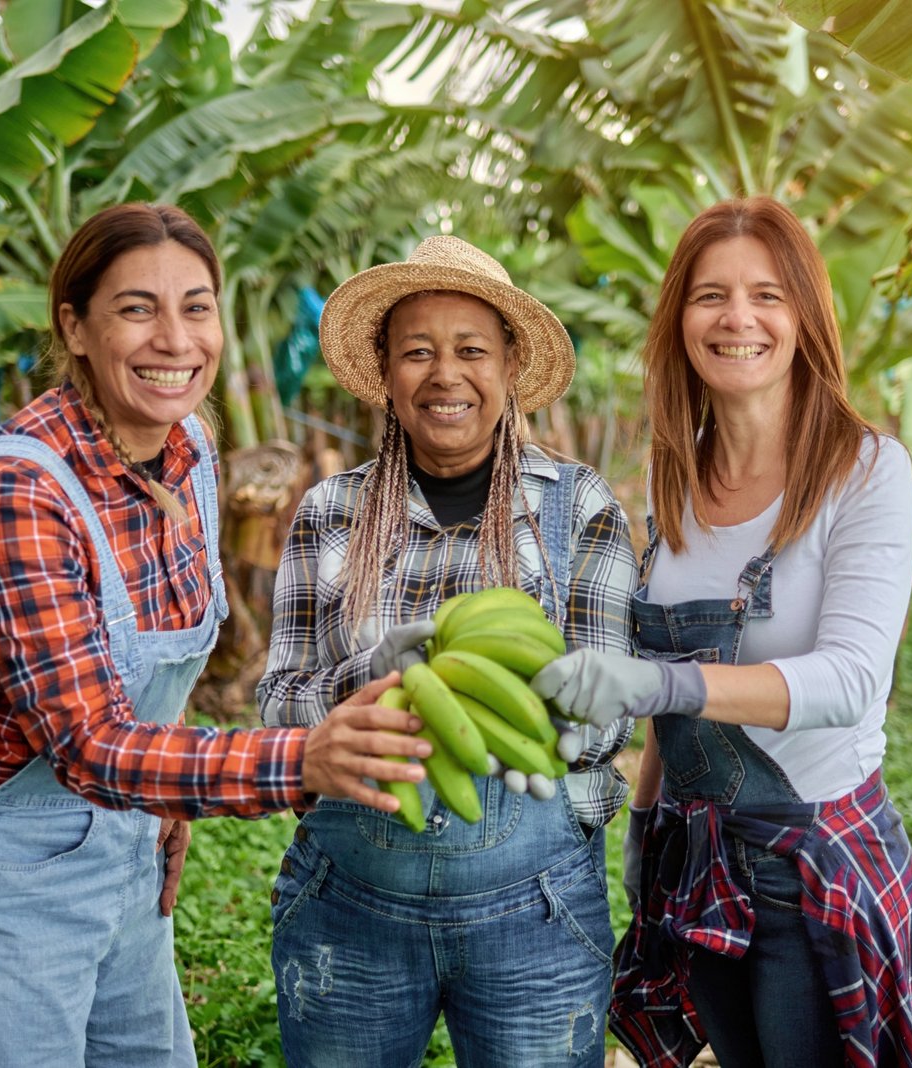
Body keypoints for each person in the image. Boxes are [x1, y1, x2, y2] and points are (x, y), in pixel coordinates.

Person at [0, 203, 431, 1068]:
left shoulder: (190, 450)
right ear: (77, 326)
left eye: (197, 306)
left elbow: (141, 691)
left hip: (130, 840)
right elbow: (88, 739)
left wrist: (166, 795)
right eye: (138, 308)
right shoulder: (20, 495)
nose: (175, 339)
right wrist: (302, 759)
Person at [533, 198, 912, 1067]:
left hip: (809, 871)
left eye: (767, 295)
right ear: (680, 318)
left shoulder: (866, 471)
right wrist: (644, 825)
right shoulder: (676, 472)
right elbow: (656, 678)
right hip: (698, 860)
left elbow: (850, 679)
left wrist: (664, 685)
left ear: (806, 318)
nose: (738, 319)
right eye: (710, 294)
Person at [257, 235, 639, 1066]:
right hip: (347, 908)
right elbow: (278, 705)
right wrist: (380, 674)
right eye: (416, 353)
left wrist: (549, 711)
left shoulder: (579, 510)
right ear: (387, 376)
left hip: (536, 912)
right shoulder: (331, 510)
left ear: (507, 367)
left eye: (471, 350)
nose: (445, 376)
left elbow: (611, 722)